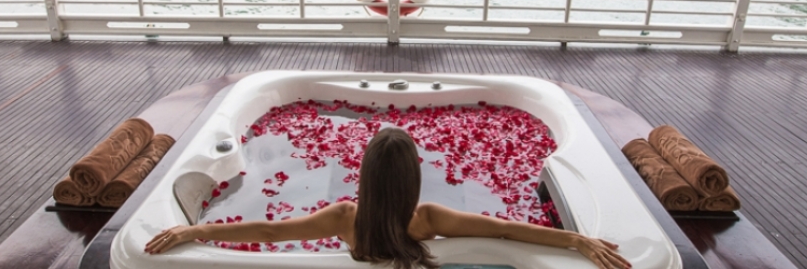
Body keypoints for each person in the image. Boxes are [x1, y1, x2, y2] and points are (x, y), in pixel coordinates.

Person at [146, 127, 631, 269]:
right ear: (413, 178)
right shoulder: (428, 218)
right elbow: (504, 229)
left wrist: (197, 229)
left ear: (365, 175)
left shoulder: (343, 217)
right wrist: (573, 240)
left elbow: (270, 231)